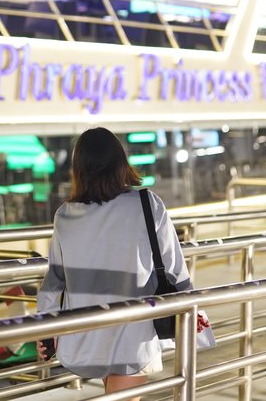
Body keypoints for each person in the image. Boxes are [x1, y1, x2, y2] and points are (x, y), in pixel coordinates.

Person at [37, 127, 191, 400]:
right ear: (121, 162)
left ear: (79, 168)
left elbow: (54, 280)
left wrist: (46, 329)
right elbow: (174, 269)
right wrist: (194, 319)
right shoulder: (146, 204)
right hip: (132, 331)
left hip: (87, 332)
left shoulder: (65, 214)